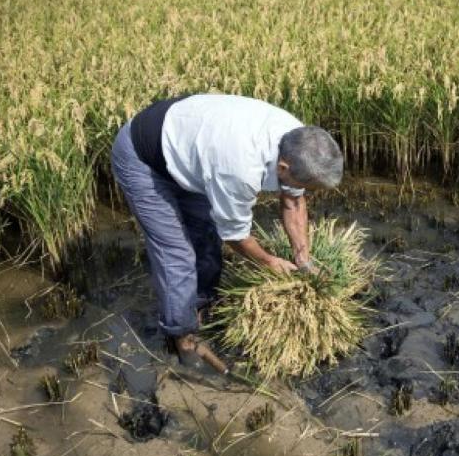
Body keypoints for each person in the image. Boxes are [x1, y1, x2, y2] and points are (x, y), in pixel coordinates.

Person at [110, 93, 343, 372]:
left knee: (205, 233)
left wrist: (304, 260)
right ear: (283, 167)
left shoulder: (299, 141)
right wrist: (269, 262)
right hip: (143, 158)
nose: (305, 190)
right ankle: (182, 337)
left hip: (193, 150)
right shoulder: (239, 168)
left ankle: (200, 304)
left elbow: (293, 199)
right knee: (177, 254)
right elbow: (234, 236)